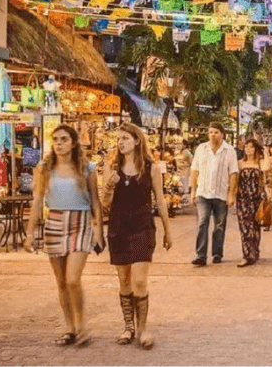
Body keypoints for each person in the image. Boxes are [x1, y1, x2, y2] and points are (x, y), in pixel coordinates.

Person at [23, 125, 104, 347]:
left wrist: (99, 231)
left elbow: (96, 202)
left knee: (72, 279)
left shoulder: (87, 168)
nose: (59, 143)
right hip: (55, 222)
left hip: (80, 222)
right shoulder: (44, 167)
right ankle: (70, 328)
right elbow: (38, 200)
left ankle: (81, 326)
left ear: (74, 142)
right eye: (56, 139)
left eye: (64, 139)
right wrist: (30, 233)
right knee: (61, 282)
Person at [100, 123, 172, 349]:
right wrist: (109, 188)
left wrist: (168, 230)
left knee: (139, 281)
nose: (121, 143)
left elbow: (160, 199)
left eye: (126, 139)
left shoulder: (151, 167)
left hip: (142, 227)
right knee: (124, 282)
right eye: (119, 139)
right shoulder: (111, 166)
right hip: (119, 227)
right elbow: (105, 206)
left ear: (137, 141)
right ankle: (128, 327)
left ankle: (142, 329)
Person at [189, 123, 239, 266]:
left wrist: (231, 194)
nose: (213, 135)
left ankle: (217, 253)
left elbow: (233, 173)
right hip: (203, 193)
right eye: (210, 132)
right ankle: (201, 255)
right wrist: (193, 191)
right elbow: (194, 171)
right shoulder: (201, 149)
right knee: (202, 223)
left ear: (222, 134)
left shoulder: (229, 151)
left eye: (216, 132)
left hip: (220, 194)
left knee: (219, 225)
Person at [232, 138, 265, 267]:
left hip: (257, 198)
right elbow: (235, 180)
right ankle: (246, 255)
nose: (249, 150)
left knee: (256, 225)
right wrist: (232, 194)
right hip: (243, 198)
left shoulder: (260, 162)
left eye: (252, 147)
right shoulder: (240, 163)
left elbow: (265, 173)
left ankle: (255, 250)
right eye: (247, 147)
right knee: (245, 226)